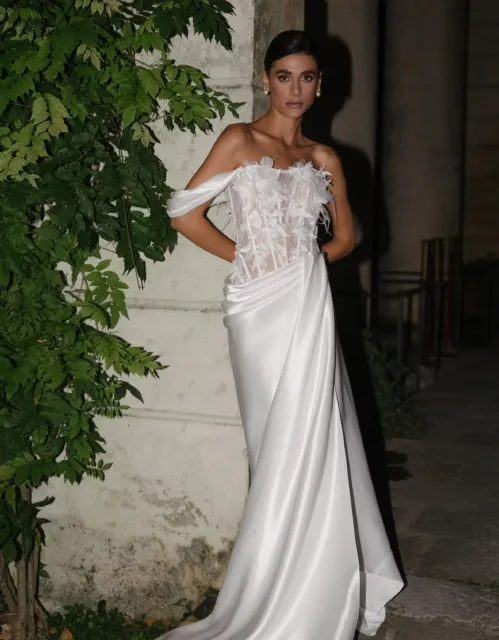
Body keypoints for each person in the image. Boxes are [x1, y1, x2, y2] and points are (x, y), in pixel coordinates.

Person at [161, 30, 403, 640]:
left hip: (307, 303)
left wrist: (303, 266)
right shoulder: (239, 140)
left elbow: (345, 239)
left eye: (308, 77)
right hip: (256, 309)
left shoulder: (325, 158)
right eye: (285, 76)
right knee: (274, 444)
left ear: (320, 85)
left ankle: (318, 584)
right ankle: (272, 589)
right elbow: (184, 213)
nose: (295, 89)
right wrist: (248, 260)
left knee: (318, 435)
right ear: (267, 79)